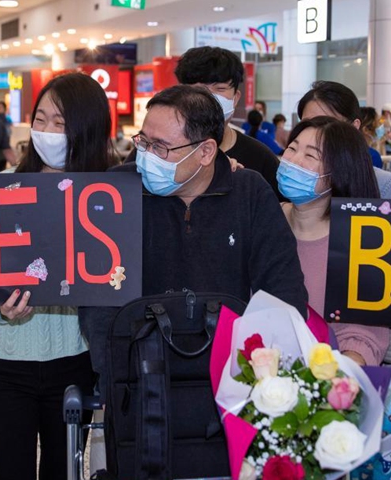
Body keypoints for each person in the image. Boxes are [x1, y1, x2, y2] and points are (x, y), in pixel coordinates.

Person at [80, 84, 310, 400]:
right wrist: (116, 380)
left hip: (231, 383)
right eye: (143, 141)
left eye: (161, 147)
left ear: (205, 151)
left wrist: (261, 380)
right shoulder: (118, 191)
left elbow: (284, 291)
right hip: (139, 384)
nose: (146, 156)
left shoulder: (248, 192)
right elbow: (97, 301)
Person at [0, 73, 109, 480]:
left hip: (76, 361)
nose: (46, 132)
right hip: (4, 364)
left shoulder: (106, 199)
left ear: (87, 128)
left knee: (63, 472)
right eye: (40, 119)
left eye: (60, 123)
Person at [278, 116, 386, 366]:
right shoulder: (265, 219)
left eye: (310, 156)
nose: (293, 160)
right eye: (292, 148)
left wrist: (335, 381)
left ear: (338, 173)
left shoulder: (361, 243)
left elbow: (365, 337)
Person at [171, 46, 282, 198]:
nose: (209, 97)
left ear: (235, 98)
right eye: (199, 89)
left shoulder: (260, 158)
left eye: (220, 88)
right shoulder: (157, 149)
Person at [297, 80, 391, 199]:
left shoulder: (384, 185)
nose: (314, 133)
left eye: (326, 124)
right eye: (307, 125)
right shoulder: (293, 178)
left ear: (354, 125)